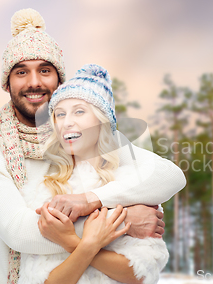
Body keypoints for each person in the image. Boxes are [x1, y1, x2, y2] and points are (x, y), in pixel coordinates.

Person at [0, 9, 186, 284]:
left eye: (45, 71)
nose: (34, 82)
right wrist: (125, 220)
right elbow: (20, 232)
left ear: (59, 80)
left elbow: (169, 175)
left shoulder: (86, 138)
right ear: (7, 83)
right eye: (21, 72)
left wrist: (89, 201)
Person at [17, 64, 175, 284]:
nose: (67, 122)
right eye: (60, 114)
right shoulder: (46, 186)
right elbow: (42, 279)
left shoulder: (130, 184)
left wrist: (72, 242)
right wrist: (91, 242)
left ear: (102, 121)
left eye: (79, 111)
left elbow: (139, 274)